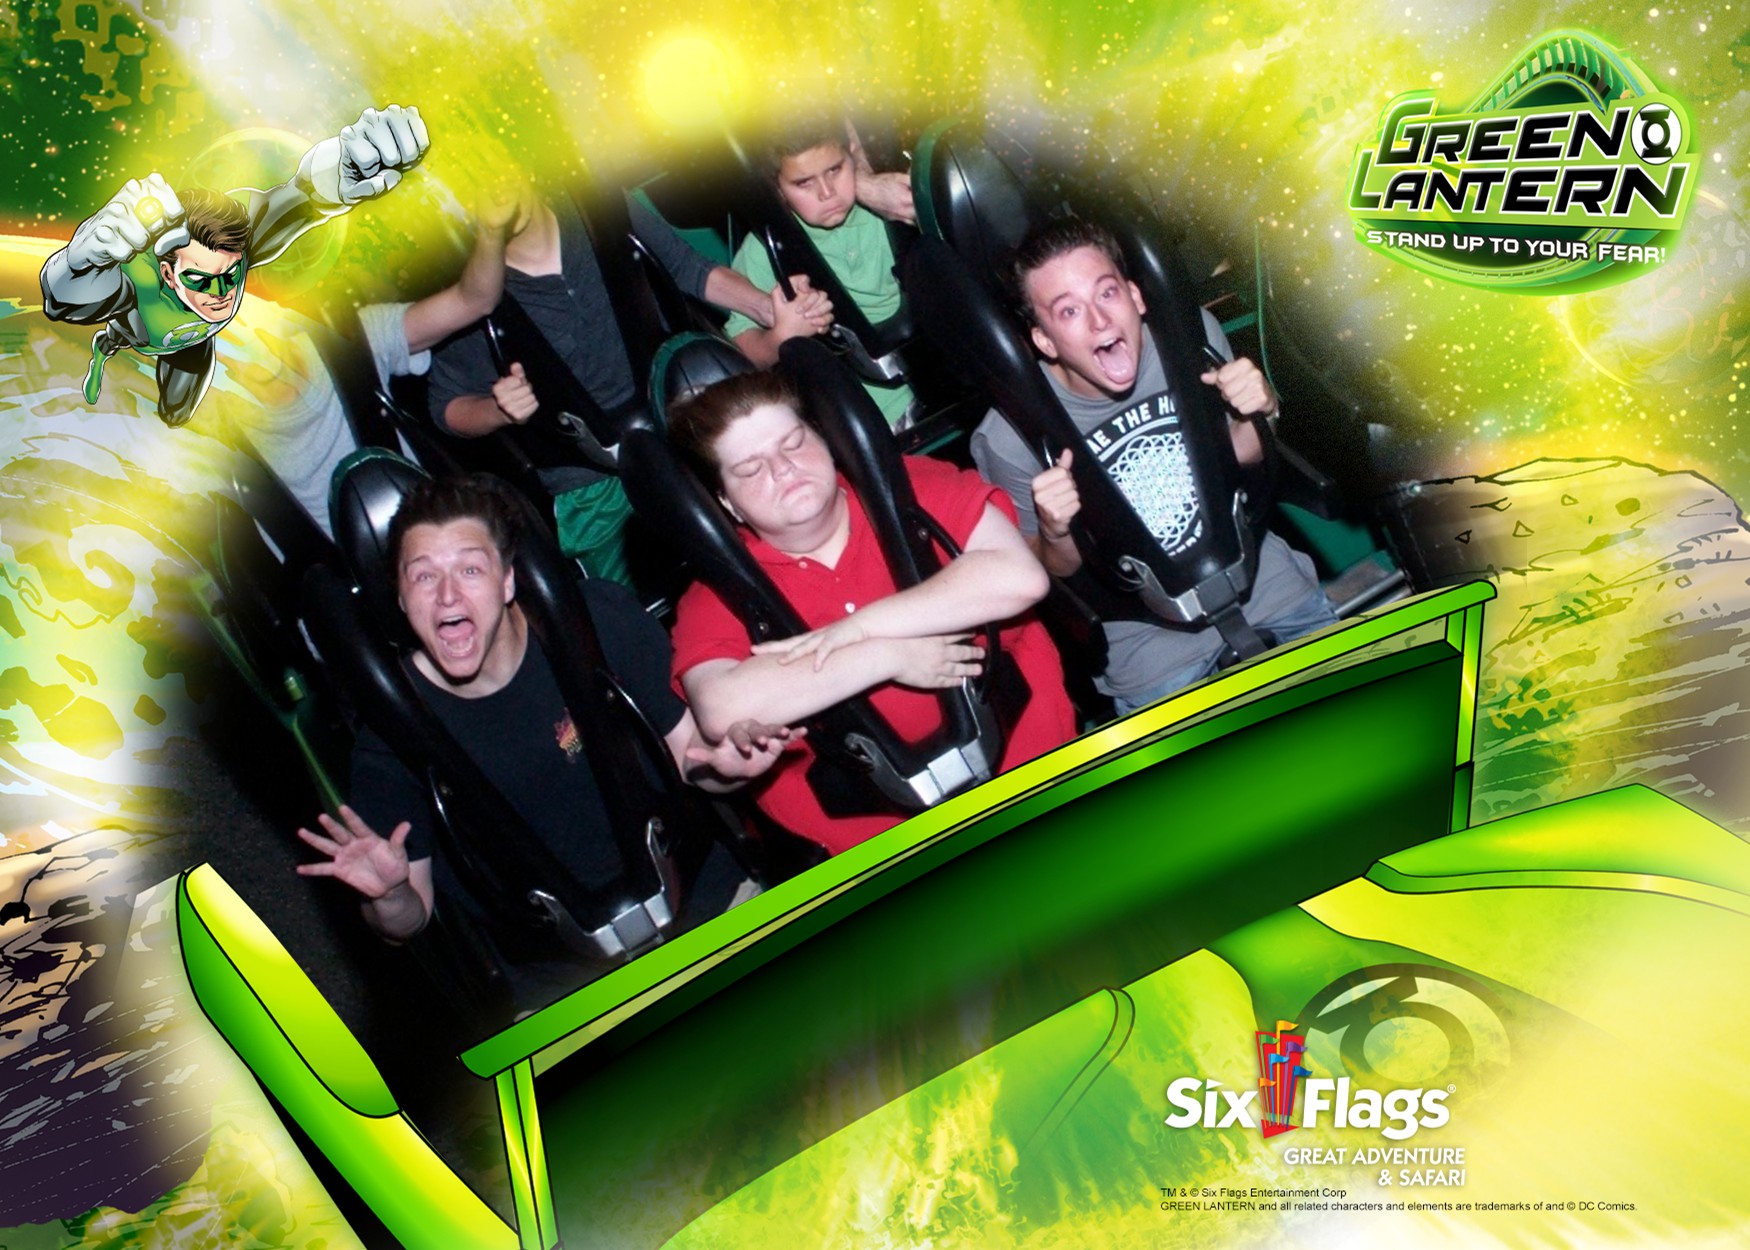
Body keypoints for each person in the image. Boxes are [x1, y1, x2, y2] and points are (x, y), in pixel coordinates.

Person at [294, 473, 793, 1011]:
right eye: (424, 576)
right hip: (560, 980)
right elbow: (405, 922)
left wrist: (729, 764)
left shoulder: (595, 621)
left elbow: (692, 758)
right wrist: (389, 895)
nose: (447, 595)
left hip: (703, 897)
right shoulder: (391, 736)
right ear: (400, 598)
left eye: (470, 569)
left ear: (507, 581)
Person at [665, 370, 1076, 855]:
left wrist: (857, 629)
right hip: (884, 836)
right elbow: (721, 709)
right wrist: (885, 656)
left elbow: (1019, 577)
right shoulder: (719, 592)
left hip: (1032, 759)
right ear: (727, 503)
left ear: (825, 439)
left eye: (794, 442)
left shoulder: (904, 485)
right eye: (751, 469)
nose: (784, 469)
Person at [970, 217, 1339, 716]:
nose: (1099, 322)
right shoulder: (1010, 435)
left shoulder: (1190, 337)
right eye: (1069, 311)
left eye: (1107, 294)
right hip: (1153, 650)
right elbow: (1051, 571)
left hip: (1262, 585)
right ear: (1045, 341)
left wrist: (1261, 410)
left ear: (1137, 296)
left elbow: (1240, 453)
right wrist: (1056, 529)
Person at [427, 184, 778, 584]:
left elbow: (690, 269)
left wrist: (765, 307)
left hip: (680, 426)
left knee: (765, 543)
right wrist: (498, 409)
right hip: (586, 481)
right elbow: (446, 407)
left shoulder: (601, 204)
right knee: (622, 601)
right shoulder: (473, 289)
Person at [41, 104, 429, 427]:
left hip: (193, 346)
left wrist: (343, 166)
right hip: (143, 335)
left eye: (230, 275)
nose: (221, 294)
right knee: (153, 380)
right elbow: (63, 300)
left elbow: (303, 196)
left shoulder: (242, 240)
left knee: (178, 413)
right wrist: (79, 258)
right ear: (168, 274)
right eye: (200, 279)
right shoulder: (140, 276)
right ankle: (108, 348)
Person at [227, 193, 521, 537]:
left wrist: (491, 231)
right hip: (344, 568)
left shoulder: (350, 340)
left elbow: (474, 300)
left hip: (441, 540)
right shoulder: (212, 440)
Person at [721, 120, 917, 429]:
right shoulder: (764, 249)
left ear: (853, 157)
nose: (827, 193)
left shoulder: (891, 203)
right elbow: (742, 345)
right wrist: (780, 337)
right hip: (869, 412)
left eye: (835, 170)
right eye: (804, 183)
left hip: (942, 373)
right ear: (777, 189)